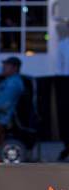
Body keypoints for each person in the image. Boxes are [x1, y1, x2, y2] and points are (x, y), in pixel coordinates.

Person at [56, 32, 69, 161]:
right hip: (65, 81)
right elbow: (59, 66)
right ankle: (67, 146)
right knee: (66, 116)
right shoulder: (63, 44)